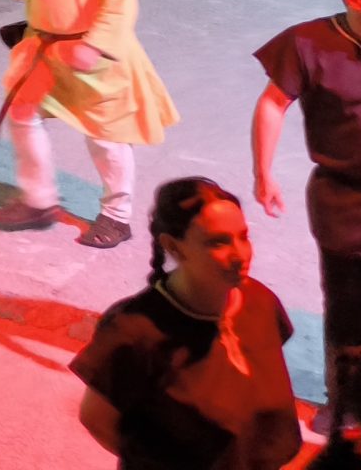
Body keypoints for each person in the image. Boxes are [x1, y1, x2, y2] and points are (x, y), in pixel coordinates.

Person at [0, 0, 178, 248]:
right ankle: (39, 201)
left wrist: (94, 44)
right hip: (44, 46)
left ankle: (117, 216)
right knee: (24, 114)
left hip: (96, 54)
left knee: (107, 136)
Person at [72, 177, 300, 470]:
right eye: (218, 242)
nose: (240, 255)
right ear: (174, 247)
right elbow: (98, 419)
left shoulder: (260, 302)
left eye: (243, 237)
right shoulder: (133, 330)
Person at [252, 0, 361, 392]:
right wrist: (263, 173)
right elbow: (273, 104)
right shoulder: (309, 43)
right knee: (350, 313)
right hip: (348, 205)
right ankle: (348, 403)